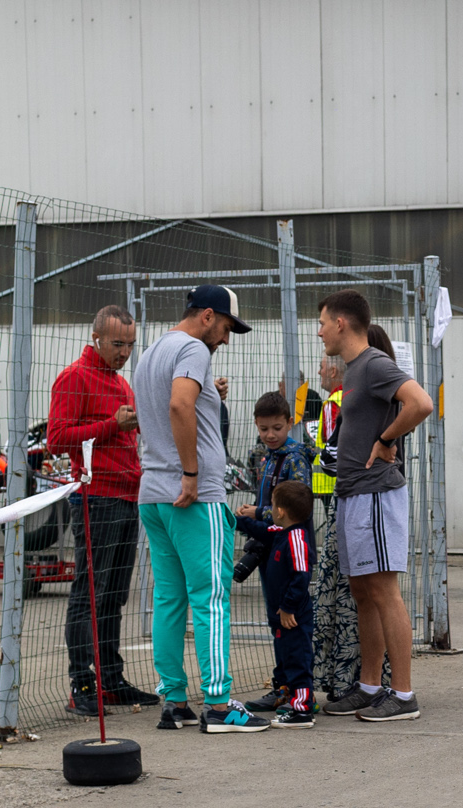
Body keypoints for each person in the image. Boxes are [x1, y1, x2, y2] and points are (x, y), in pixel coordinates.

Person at [133, 284, 269, 734]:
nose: (226, 339)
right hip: (193, 495)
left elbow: (171, 405)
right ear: (207, 316)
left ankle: (174, 701)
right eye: (227, 327)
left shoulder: (153, 351)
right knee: (211, 597)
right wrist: (191, 473)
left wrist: (210, 396)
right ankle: (218, 704)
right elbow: (179, 404)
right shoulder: (193, 348)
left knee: (169, 599)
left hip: (154, 494)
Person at [314, 292, 434, 722]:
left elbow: (421, 403)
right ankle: (369, 687)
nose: (319, 332)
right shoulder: (355, 371)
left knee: (383, 591)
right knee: (363, 593)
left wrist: (386, 440)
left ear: (341, 322)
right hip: (353, 494)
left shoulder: (374, 364)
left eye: (322, 323)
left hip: (376, 493)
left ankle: (402, 695)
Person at [49, 304, 159, 714]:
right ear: (96, 339)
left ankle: (111, 680)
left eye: (130, 345)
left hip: (127, 495)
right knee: (90, 593)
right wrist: (113, 425)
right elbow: (57, 439)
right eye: (117, 344)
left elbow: (126, 430)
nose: (125, 352)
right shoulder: (75, 377)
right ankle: (82, 684)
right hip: (96, 497)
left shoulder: (120, 382)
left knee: (112, 595)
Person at [237, 392, 312, 710]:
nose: (270, 435)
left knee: (291, 622)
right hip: (270, 548)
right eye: (264, 428)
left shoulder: (295, 458)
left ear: (290, 423)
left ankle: (299, 691)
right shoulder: (265, 455)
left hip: (289, 550)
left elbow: (298, 508)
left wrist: (258, 513)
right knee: (277, 623)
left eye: (277, 428)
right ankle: (282, 686)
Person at [236, 480, 318, 728]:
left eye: (271, 505)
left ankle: (302, 709)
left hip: (292, 615)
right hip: (281, 614)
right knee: (285, 656)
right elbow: (259, 528)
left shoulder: (296, 538)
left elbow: (301, 576)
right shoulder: (280, 531)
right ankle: (286, 695)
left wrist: (289, 607)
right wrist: (233, 519)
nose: (269, 509)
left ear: (280, 511)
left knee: (297, 658)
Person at [307, 356, 361, 700]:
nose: (319, 372)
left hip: (335, 488)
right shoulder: (344, 398)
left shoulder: (335, 403)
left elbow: (329, 449)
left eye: (323, 366)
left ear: (335, 370)